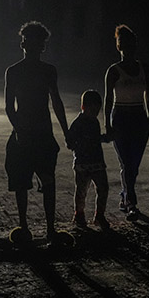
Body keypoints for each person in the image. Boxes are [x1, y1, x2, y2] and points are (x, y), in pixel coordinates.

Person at [4, 21, 71, 243]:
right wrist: (65, 132)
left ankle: (26, 228)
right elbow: (57, 103)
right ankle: (47, 230)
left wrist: (18, 129)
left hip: (30, 134)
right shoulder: (43, 71)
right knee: (45, 182)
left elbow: (10, 107)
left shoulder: (16, 71)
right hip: (38, 133)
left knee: (24, 184)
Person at [104, 24, 149, 221]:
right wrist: (107, 124)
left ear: (135, 46)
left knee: (134, 162)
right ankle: (131, 202)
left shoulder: (144, 68)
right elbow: (108, 99)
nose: (127, 49)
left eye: (130, 44)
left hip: (139, 117)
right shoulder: (113, 71)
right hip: (121, 118)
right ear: (118, 47)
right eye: (123, 45)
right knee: (126, 162)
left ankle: (125, 196)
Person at [67, 89, 112, 230]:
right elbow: (70, 142)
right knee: (81, 190)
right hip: (83, 163)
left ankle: (99, 215)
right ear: (83, 107)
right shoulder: (78, 123)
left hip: (96, 161)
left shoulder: (94, 122)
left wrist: (103, 138)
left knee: (103, 188)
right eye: (92, 109)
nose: (95, 112)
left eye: (97, 109)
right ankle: (79, 214)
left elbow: (94, 139)